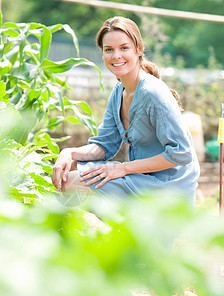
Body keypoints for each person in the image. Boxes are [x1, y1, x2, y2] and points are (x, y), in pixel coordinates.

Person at [52, 16, 200, 205]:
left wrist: (123, 168)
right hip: (141, 177)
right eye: (109, 50)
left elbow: (182, 154)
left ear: (138, 49)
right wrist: (70, 152)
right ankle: (98, 230)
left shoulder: (153, 93)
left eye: (124, 48)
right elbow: (104, 145)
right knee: (67, 169)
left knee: (74, 182)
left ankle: (143, 229)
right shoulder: (119, 91)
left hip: (168, 186)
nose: (116, 56)